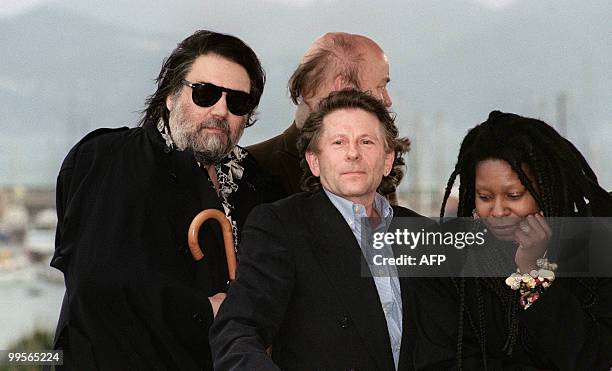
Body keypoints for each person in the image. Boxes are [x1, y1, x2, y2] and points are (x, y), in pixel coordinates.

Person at [50, 30, 277, 370]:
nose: (220, 109)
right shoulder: (110, 158)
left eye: (237, 102)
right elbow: (95, 285)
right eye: (205, 94)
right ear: (171, 95)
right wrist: (203, 311)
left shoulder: (254, 181)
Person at [210, 89, 421, 370]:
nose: (353, 153)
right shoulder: (281, 225)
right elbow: (239, 328)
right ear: (314, 161)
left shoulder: (419, 231)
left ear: (387, 160)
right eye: (338, 142)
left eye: (366, 141)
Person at [412, 111, 612, 370]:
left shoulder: (592, 248)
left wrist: (533, 276)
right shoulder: (450, 257)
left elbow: (592, 357)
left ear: (546, 187)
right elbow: (442, 361)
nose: (497, 211)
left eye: (514, 195)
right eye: (484, 197)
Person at [247, 32, 403, 203]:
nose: (387, 101)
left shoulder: (375, 161)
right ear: (342, 88)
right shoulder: (249, 170)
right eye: (380, 86)